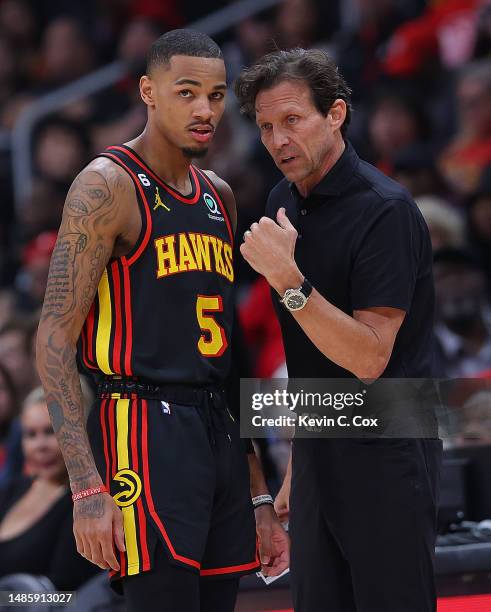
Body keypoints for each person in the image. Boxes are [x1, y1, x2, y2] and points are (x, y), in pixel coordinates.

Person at [36, 29, 288, 612]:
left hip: (216, 431)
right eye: (187, 92)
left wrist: (257, 496)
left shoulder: (219, 196)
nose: (205, 110)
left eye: (218, 95)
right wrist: (86, 486)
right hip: (140, 424)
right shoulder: (106, 185)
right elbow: (53, 338)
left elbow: (231, 363)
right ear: (149, 91)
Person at [235, 48, 442, 612]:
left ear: (337, 114)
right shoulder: (283, 201)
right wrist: (300, 467)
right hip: (322, 450)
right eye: (266, 127)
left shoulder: (386, 211)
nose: (279, 140)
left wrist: (289, 280)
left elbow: (369, 359)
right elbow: (312, 362)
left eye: (292, 121)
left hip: (388, 449)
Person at [0, 387, 99, 590]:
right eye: (30, 434)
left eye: (51, 432)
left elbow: (67, 595)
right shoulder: (12, 490)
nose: (40, 446)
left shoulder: (85, 505)